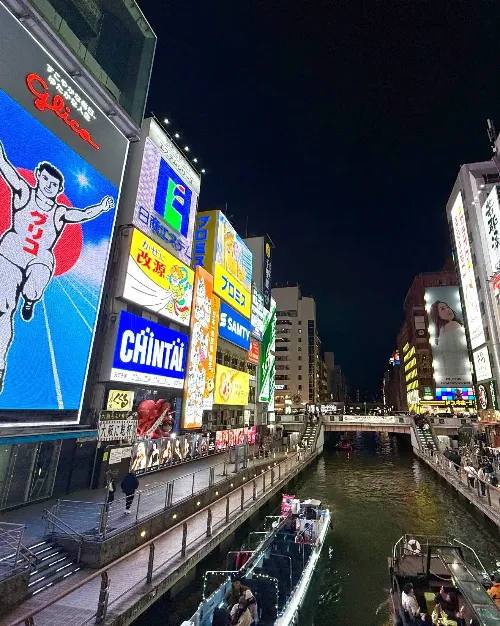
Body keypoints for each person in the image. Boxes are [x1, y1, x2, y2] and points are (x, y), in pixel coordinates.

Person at [0, 141, 115, 392]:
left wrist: (102, 208)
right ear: (39, 177)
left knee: (40, 273)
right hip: (10, 255)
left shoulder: (59, 212)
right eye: (47, 181)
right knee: (4, 311)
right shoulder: (23, 192)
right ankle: (0, 365)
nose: (50, 187)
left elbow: (82, 214)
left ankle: (30, 298)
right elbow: (5, 167)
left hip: (38, 258)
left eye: (55, 185)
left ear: (59, 189)